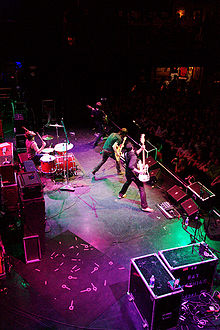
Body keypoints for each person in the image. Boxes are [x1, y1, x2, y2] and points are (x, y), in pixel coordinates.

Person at [118, 142, 154, 212]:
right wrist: (139, 171)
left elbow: (135, 153)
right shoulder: (133, 156)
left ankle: (121, 194)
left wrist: (141, 149)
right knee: (141, 188)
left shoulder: (126, 152)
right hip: (133, 174)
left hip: (128, 173)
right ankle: (144, 206)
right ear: (132, 148)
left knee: (128, 182)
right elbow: (131, 166)